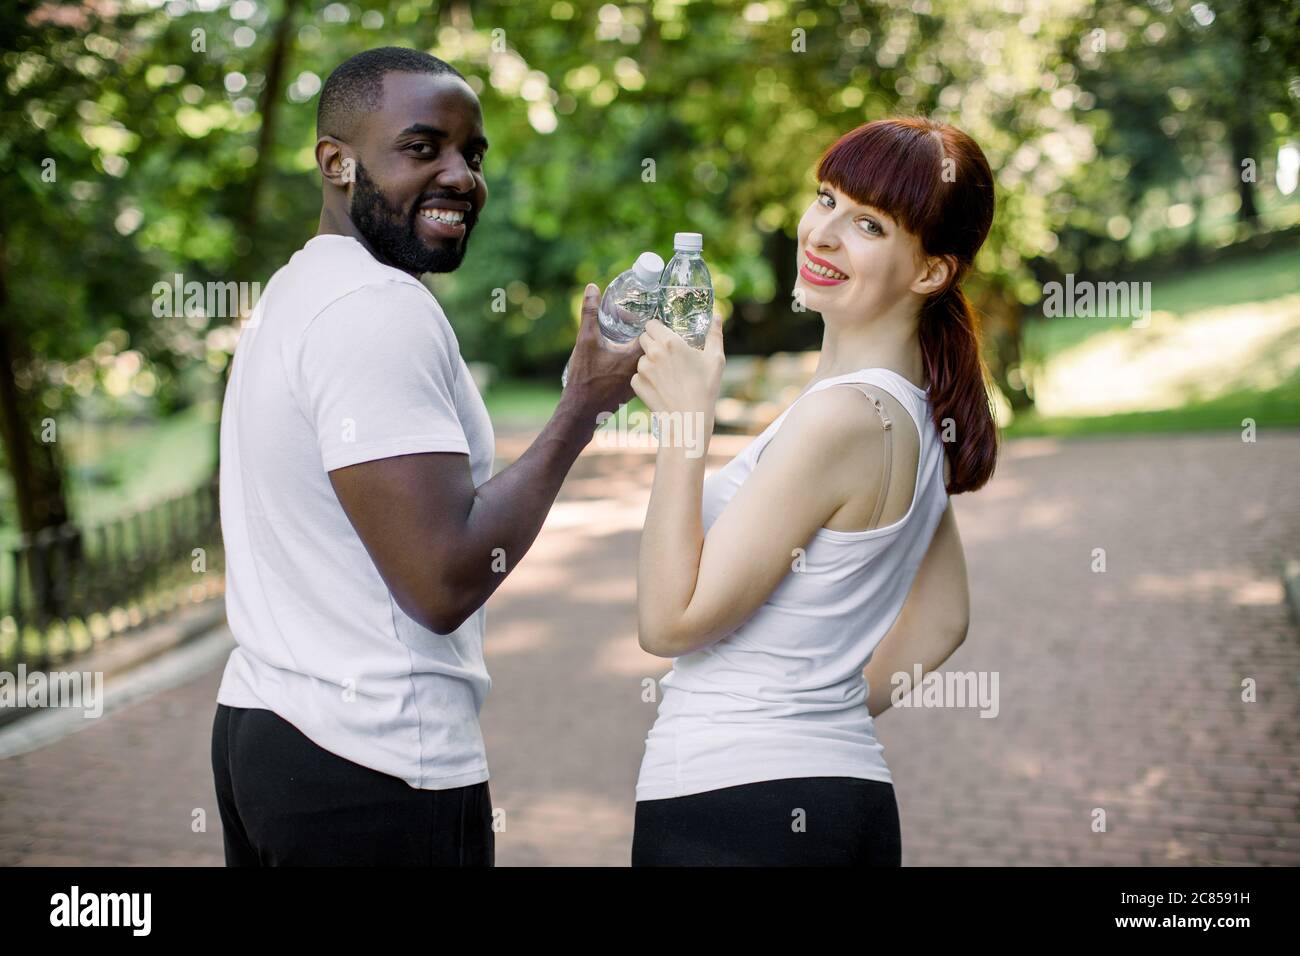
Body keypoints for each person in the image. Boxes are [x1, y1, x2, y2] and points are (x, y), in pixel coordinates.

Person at [209, 47, 639, 866]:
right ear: (336, 162)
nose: (461, 177)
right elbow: (441, 581)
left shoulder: (296, 290)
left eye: (471, 155)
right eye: (422, 148)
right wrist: (579, 411)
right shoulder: (375, 308)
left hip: (268, 735)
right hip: (373, 762)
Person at [628, 117, 998, 866]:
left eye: (867, 223)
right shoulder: (914, 413)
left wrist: (684, 428)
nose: (823, 233)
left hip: (732, 809)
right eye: (825, 198)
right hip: (843, 798)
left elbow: (669, 623)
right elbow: (945, 620)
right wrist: (815, 716)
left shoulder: (839, 419)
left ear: (931, 273)